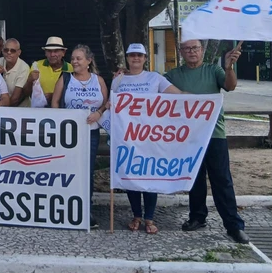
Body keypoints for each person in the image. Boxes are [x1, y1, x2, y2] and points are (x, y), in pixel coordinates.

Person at [165, 39, 249, 244]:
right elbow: (152, 89)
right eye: (187, 48)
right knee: (194, 178)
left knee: (222, 179)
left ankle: (233, 225)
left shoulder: (214, 71)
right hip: (188, 135)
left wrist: (228, 67)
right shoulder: (173, 75)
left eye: (195, 48)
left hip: (214, 134)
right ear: (181, 52)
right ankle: (197, 217)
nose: (191, 51)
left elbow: (230, 86)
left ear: (202, 50)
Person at [111, 43, 182, 234]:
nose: (136, 58)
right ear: (127, 57)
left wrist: (206, 102)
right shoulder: (118, 80)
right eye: (132, 55)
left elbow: (180, 97)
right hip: (127, 137)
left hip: (150, 136)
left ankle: (149, 217)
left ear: (145, 58)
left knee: (150, 175)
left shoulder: (155, 78)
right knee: (131, 176)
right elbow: (112, 105)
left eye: (139, 55)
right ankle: (136, 215)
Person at [52, 44, 108, 229]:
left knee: (87, 170)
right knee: (67, 169)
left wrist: (99, 113)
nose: (74, 62)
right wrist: (60, 122)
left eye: (79, 58)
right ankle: (66, 206)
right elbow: (55, 102)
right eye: (73, 58)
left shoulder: (98, 80)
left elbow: (105, 103)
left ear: (89, 61)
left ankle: (85, 208)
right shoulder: (65, 78)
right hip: (68, 134)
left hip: (90, 133)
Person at [26, 36, 73, 105]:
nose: (52, 54)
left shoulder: (71, 68)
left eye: (56, 51)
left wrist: (54, 96)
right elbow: (26, 93)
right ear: (45, 53)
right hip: (39, 111)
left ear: (63, 53)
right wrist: (29, 81)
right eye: (49, 51)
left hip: (62, 110)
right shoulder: (36, 66)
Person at [0, 38, 30, 106]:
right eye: (6, 50)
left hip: (19, 109)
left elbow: (15, 98)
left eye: (12, 51)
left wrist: (2, 109)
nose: (9, 53)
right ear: (3, 51)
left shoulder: (24, 68)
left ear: (19, 52)